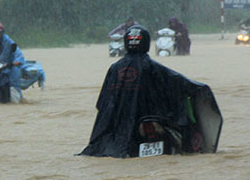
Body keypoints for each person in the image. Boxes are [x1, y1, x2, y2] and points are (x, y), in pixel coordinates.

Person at [79, 25, 222, 158]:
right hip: (152, 122)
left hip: (120, 134)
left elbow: (103, 103)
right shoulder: (154, 68)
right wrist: (198, 88)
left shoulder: (114, 69)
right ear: (146, 43)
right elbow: (180, 84)